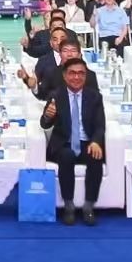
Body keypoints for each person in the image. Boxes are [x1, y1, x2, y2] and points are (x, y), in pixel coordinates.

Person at [39, 57, 106, 226]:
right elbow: (45, 124)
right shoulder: (56, 95)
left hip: (86, 143)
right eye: (72, 73)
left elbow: (100, 125)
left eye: (81, 73)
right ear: (64, 75)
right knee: (67, 156)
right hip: (64, 144)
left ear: (85, 76)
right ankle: (68, 205)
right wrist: (48, 116)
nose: (77, 77)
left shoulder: (94, 97)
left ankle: (89, 206)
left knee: (95, 157)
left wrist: (96, 141)